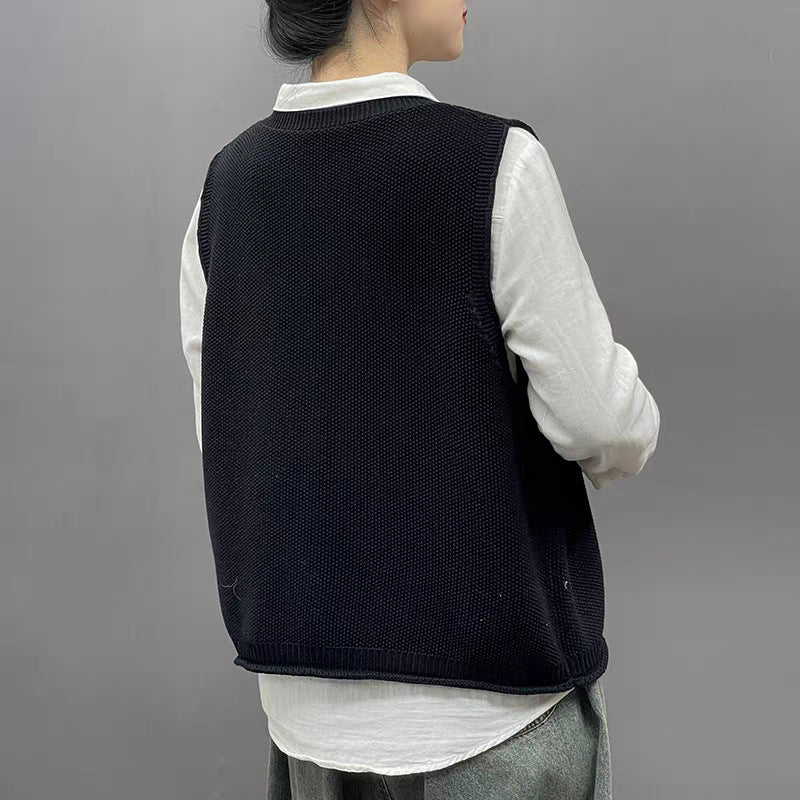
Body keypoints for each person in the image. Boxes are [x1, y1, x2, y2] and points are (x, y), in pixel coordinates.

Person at [178, 1, 660, 798]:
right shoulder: (492, 167)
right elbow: (603, 423)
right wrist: (634, 424)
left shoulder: (222, 194)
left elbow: (228, 438)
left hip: (308, 715)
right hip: (491, 710)